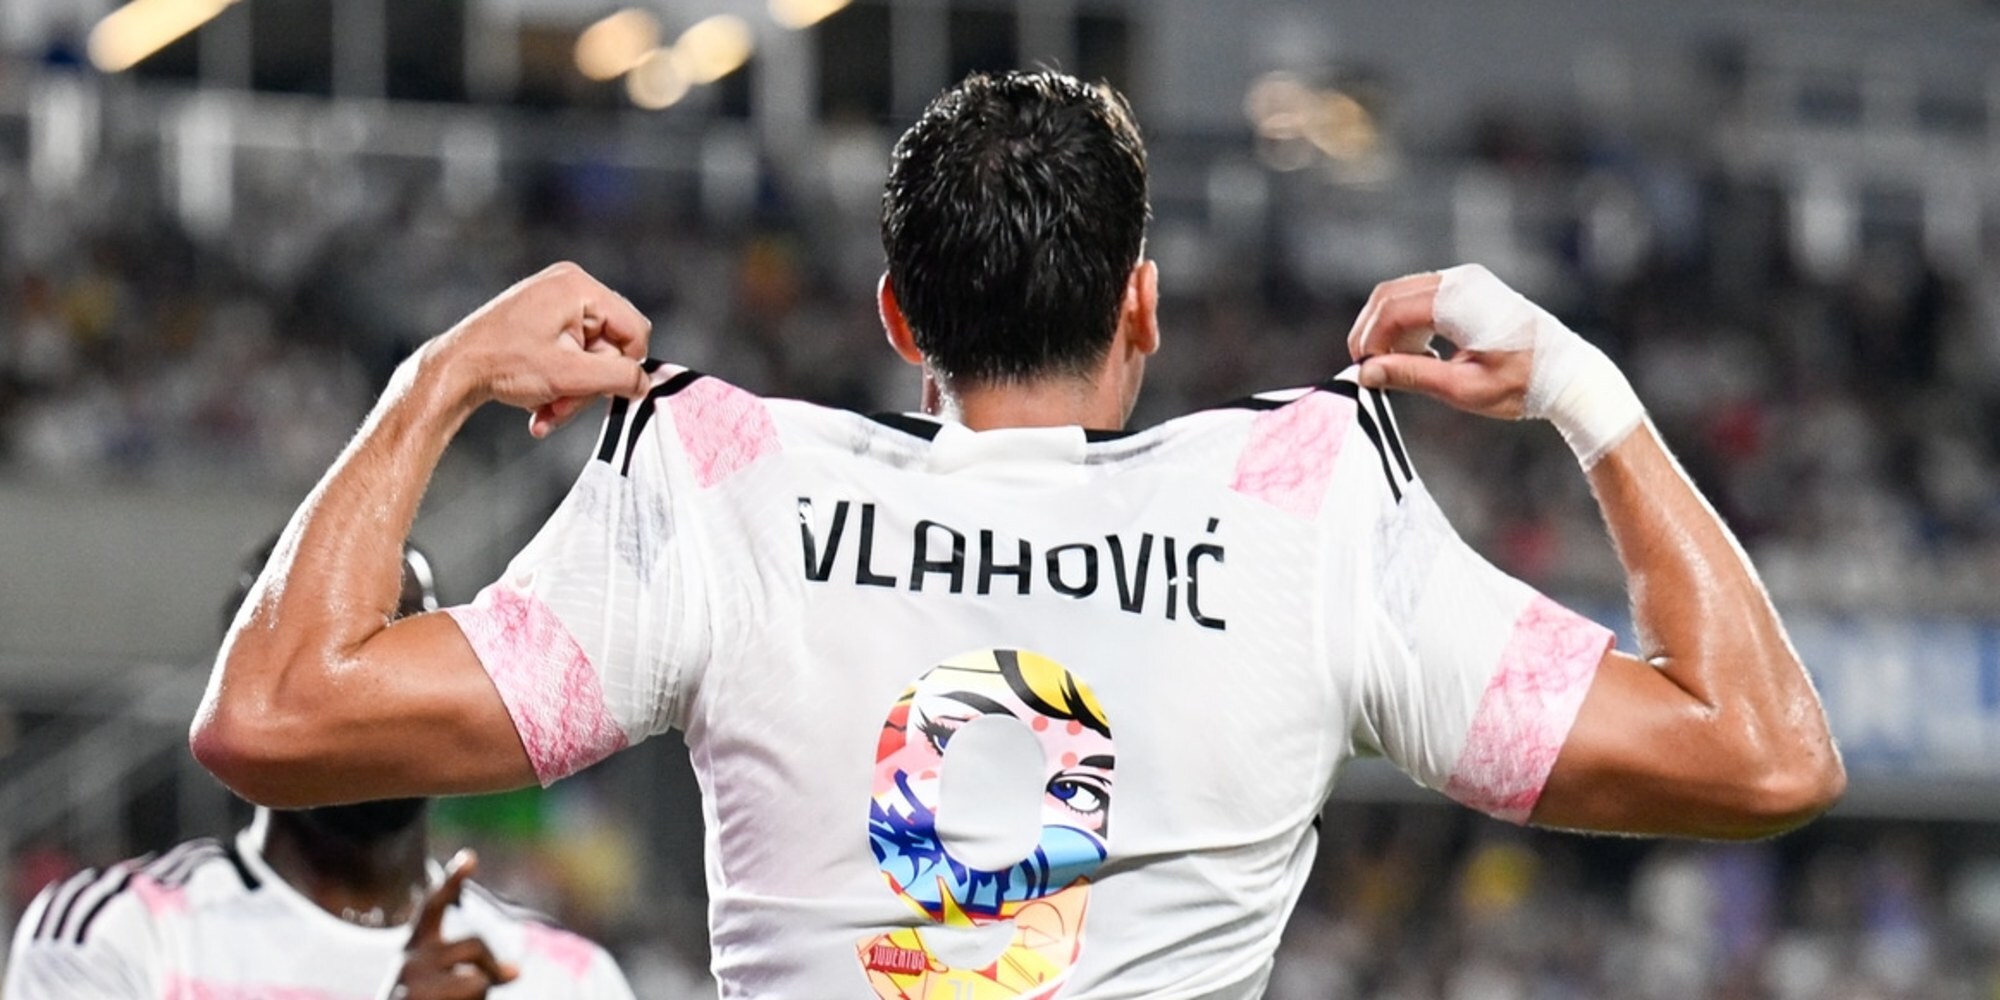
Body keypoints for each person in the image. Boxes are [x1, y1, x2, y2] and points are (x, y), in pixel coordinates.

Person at [190, 70, 1843, 997]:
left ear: (898, 316)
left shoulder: (726, 487)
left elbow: (272, 717)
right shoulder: (1307, 509)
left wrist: (434, 380)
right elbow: (1763, 754)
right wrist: (1586, 395)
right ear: (1143, 308)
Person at [8, 545, 635, 999]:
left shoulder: (566, 979)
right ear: (241, 699)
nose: (370, 694)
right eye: (319, 660)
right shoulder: (118, 932)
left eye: (404, 644)